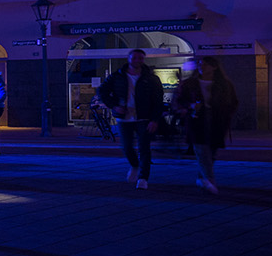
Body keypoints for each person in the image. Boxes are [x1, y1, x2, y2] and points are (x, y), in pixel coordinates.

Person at [97, 49, 165, 188]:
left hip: (143, 117)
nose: (137, 60)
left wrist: (154, 119)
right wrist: (114, 106)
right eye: (134, 58)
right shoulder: (118, 76)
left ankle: (143, 178)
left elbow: (158, 100)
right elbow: (102, 91)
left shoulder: (151, 78)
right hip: (124, 117)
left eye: (140, 58)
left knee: (144, 148)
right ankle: (135, 165)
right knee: (127, 147)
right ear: (128, 59)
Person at [172, 56, 239, 195]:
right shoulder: (190, 83)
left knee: (212, 152)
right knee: (202, 151)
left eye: (206, 65)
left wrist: (226, 114)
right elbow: (178, 100)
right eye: (200, 64)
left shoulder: (224, 84)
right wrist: (189, 106)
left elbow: (233, 102)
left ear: (214, 67)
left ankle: (201, 178)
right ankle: (210, 180)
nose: (202, 67)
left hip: (217, 120)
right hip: (196, 120)